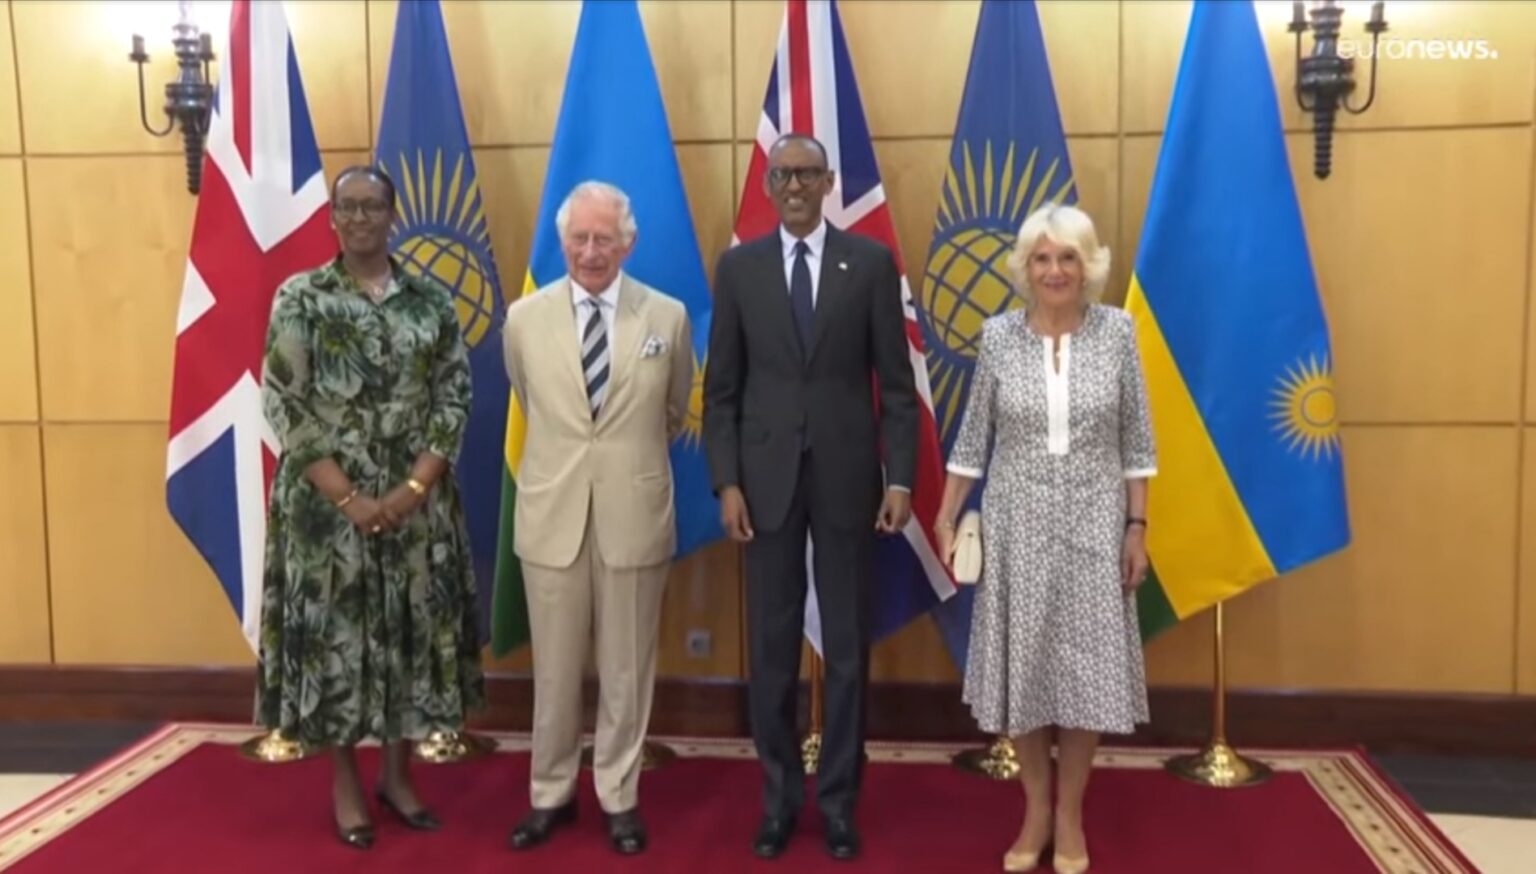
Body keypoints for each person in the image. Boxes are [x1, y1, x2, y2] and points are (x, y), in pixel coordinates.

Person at [256, 165, 485, 850]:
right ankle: (346, 784)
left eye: (372, 206)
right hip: (326, 513)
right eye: (348, 207)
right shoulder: (301, 297)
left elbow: (454, 395)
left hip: (418, 503)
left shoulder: (430, 299)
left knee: (409, 634)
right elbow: (285, 404)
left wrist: (412, 489)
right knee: (339, 642)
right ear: (332, 217)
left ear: (393, 214)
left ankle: (398, 776)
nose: (359, 218)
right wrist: (350, 498)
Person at [702, 133, 917, 862]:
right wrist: (727, 481)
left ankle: (839, 804)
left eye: (808, 174)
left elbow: (896, 387)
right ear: (768, 186)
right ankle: (778, 802)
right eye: (783, 174)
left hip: (849, 481)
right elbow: (722, 391)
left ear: (828, 183)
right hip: (763, 486)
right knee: (771, 650)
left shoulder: (871, 264)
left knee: (848, 649)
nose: (794, 185)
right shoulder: (739, 269)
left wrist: (899, 479)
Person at [934, 204, 1156, 874]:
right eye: (1042, 258)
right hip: (1017, 526)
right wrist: (946, 515)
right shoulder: (999, 337)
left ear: (1088, 267)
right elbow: (974, 437)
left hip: (1095, 524)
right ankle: (1034, 811)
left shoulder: (1117, 333)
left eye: (1067, 258)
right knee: (1025, 674)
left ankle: (1070, 815)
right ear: (1025, 268)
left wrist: (1137, 527)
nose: (1054, 270)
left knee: (1086, 676)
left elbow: (1137, 443)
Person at [501, 180, 693, 857]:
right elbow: (529, 398)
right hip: (552, 515)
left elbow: (674, 411)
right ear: (563, 241)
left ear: (627, 244)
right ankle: (550, 793)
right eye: (579, 238)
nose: (590, 251)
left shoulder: (667, 317)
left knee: (626, 671)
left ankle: (619, 795)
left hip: (633, 514)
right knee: (554, 674)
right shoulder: (524, 319)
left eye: (604, 239)